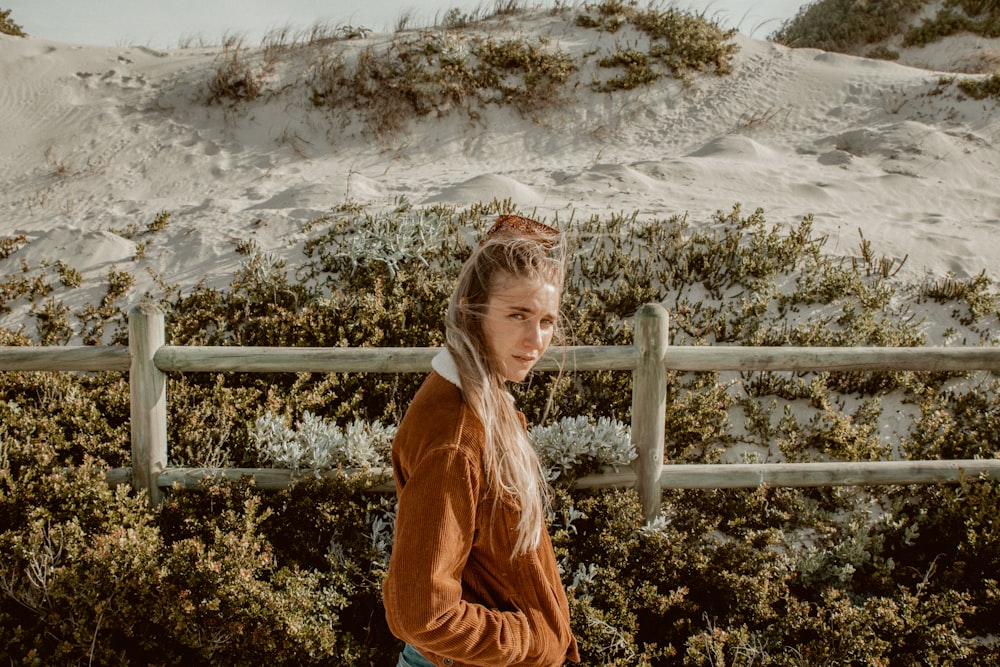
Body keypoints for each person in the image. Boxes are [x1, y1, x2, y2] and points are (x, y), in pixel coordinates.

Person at [383, 214, 580, 667]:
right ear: (473, 308)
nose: (536, 340)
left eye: (547, 320)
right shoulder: (456, 436)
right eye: (518, 315)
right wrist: (534, 640)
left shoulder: (482, 397)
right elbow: (422, 615)